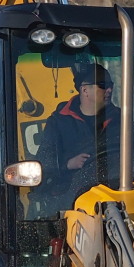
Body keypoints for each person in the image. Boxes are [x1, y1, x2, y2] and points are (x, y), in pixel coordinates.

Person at [36, 62, 122, 205]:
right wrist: (67, 164)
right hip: (68, 199)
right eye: (102, 85)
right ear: (84, 90)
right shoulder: (58, 122)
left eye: (110, 85)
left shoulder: (122, 122)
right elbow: (43, 162)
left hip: (116, 197)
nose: (109, 90)